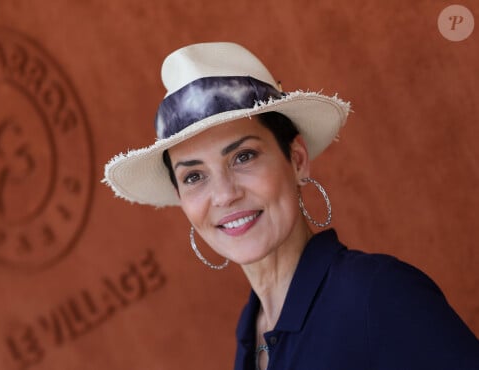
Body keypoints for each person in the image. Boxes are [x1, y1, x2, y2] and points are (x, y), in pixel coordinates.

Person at [103, 42, 479, 370]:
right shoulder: (251, 332)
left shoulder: (376, 295)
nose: (224, 195)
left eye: (243, 156)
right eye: (194, 176)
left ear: (296, 159)